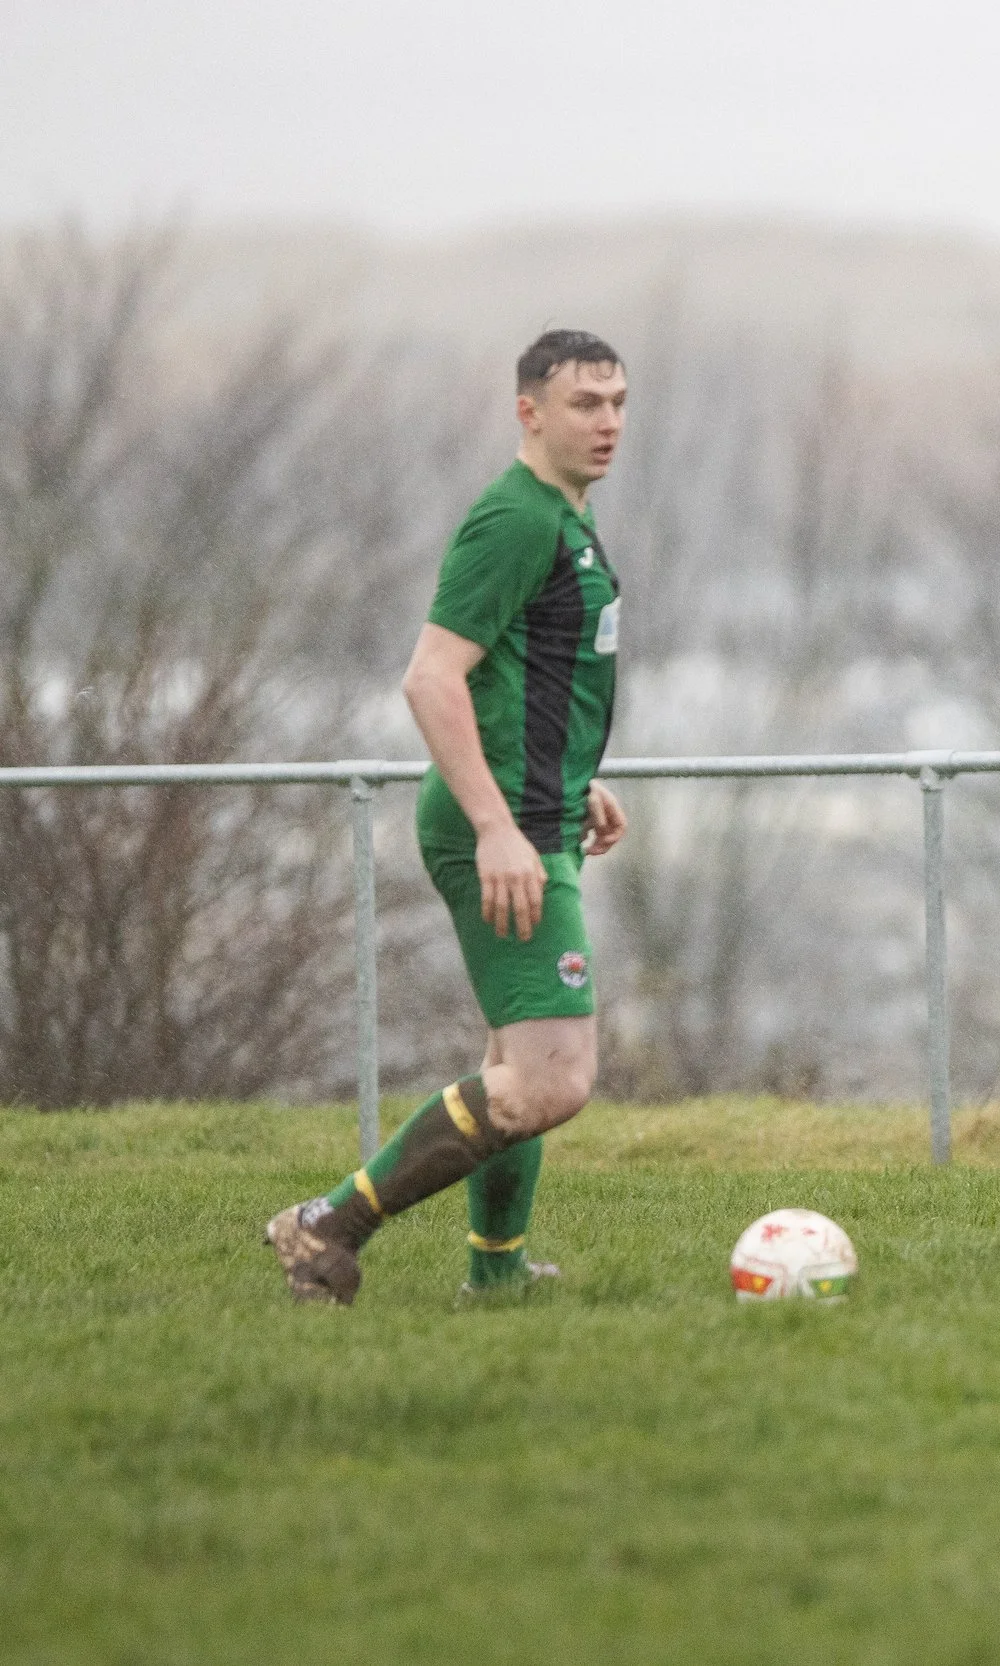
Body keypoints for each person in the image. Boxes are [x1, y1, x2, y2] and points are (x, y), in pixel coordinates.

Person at [264, 330, 632, 1304]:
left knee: (517, 1066)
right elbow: (432, 679)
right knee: (552, 1077)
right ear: (529, 412)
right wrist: (498, 825)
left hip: (534, 808)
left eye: (617, 402)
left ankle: (497, 1275)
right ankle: (325, 1224)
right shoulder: (515, 519)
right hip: (501, 828)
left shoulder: (563, 518)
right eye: (584, 403)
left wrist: (571, 778)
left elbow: (525, 674)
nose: (606, 421)